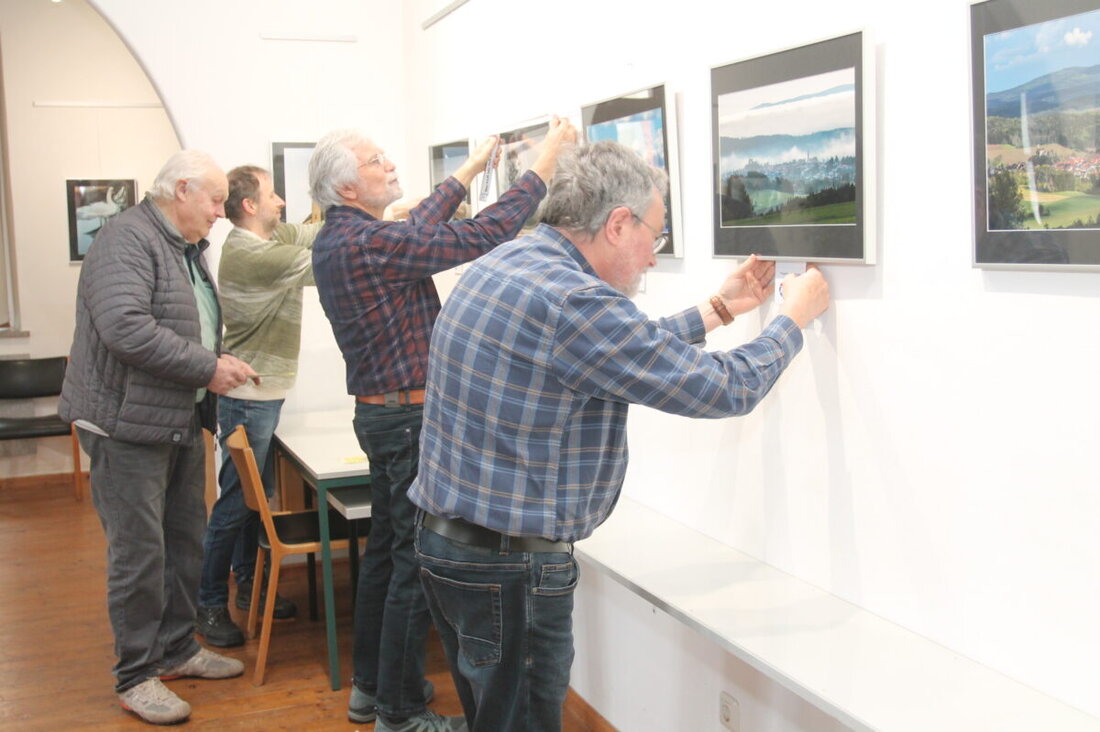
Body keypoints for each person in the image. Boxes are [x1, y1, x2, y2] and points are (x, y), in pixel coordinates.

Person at [408, 141, 831, 732]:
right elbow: (724, 389)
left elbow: (612, 349)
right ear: (616, 223)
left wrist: (718, 309)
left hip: (448, 552)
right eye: (654, 238)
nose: (654, 258)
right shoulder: (576, 301)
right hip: (509, 571)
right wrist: (792, 321)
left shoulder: (509, 262)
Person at [309, 119, 576, 732]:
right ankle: (399, 714)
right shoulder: (369, 244)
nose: (391, 166)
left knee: (386, 557)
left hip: (387, 417)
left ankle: (372, 690)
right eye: (378, 161)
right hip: (406, 420)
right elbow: (479, 234)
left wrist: (475, 166)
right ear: (350, 187)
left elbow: (421, 225)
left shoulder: (349, 237)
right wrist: (545, 162)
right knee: (410, 565)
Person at [59, 150, 258, 725]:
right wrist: (207, 368)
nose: (222, 212)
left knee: (183, 541)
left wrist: (212, 361)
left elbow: (177, 323)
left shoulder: (180, 246)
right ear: (183, 190)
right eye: (217, 200)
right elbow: (125, 328)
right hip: (125, 427)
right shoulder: (126, 239)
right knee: (140, 555)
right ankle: (135, 675)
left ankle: (176, 650)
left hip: (171, 418)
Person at [195, 165, 322, 647]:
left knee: (253, 502)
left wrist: (384, 216)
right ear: (249, 206)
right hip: (247, 401)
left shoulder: (265, 238)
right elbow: (327, 259)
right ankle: (210, 603)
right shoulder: (253, 253)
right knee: (234, 505)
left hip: (260, 398)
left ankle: (248, 589)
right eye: (273, 195)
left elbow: (313, 232)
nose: (282, 203)